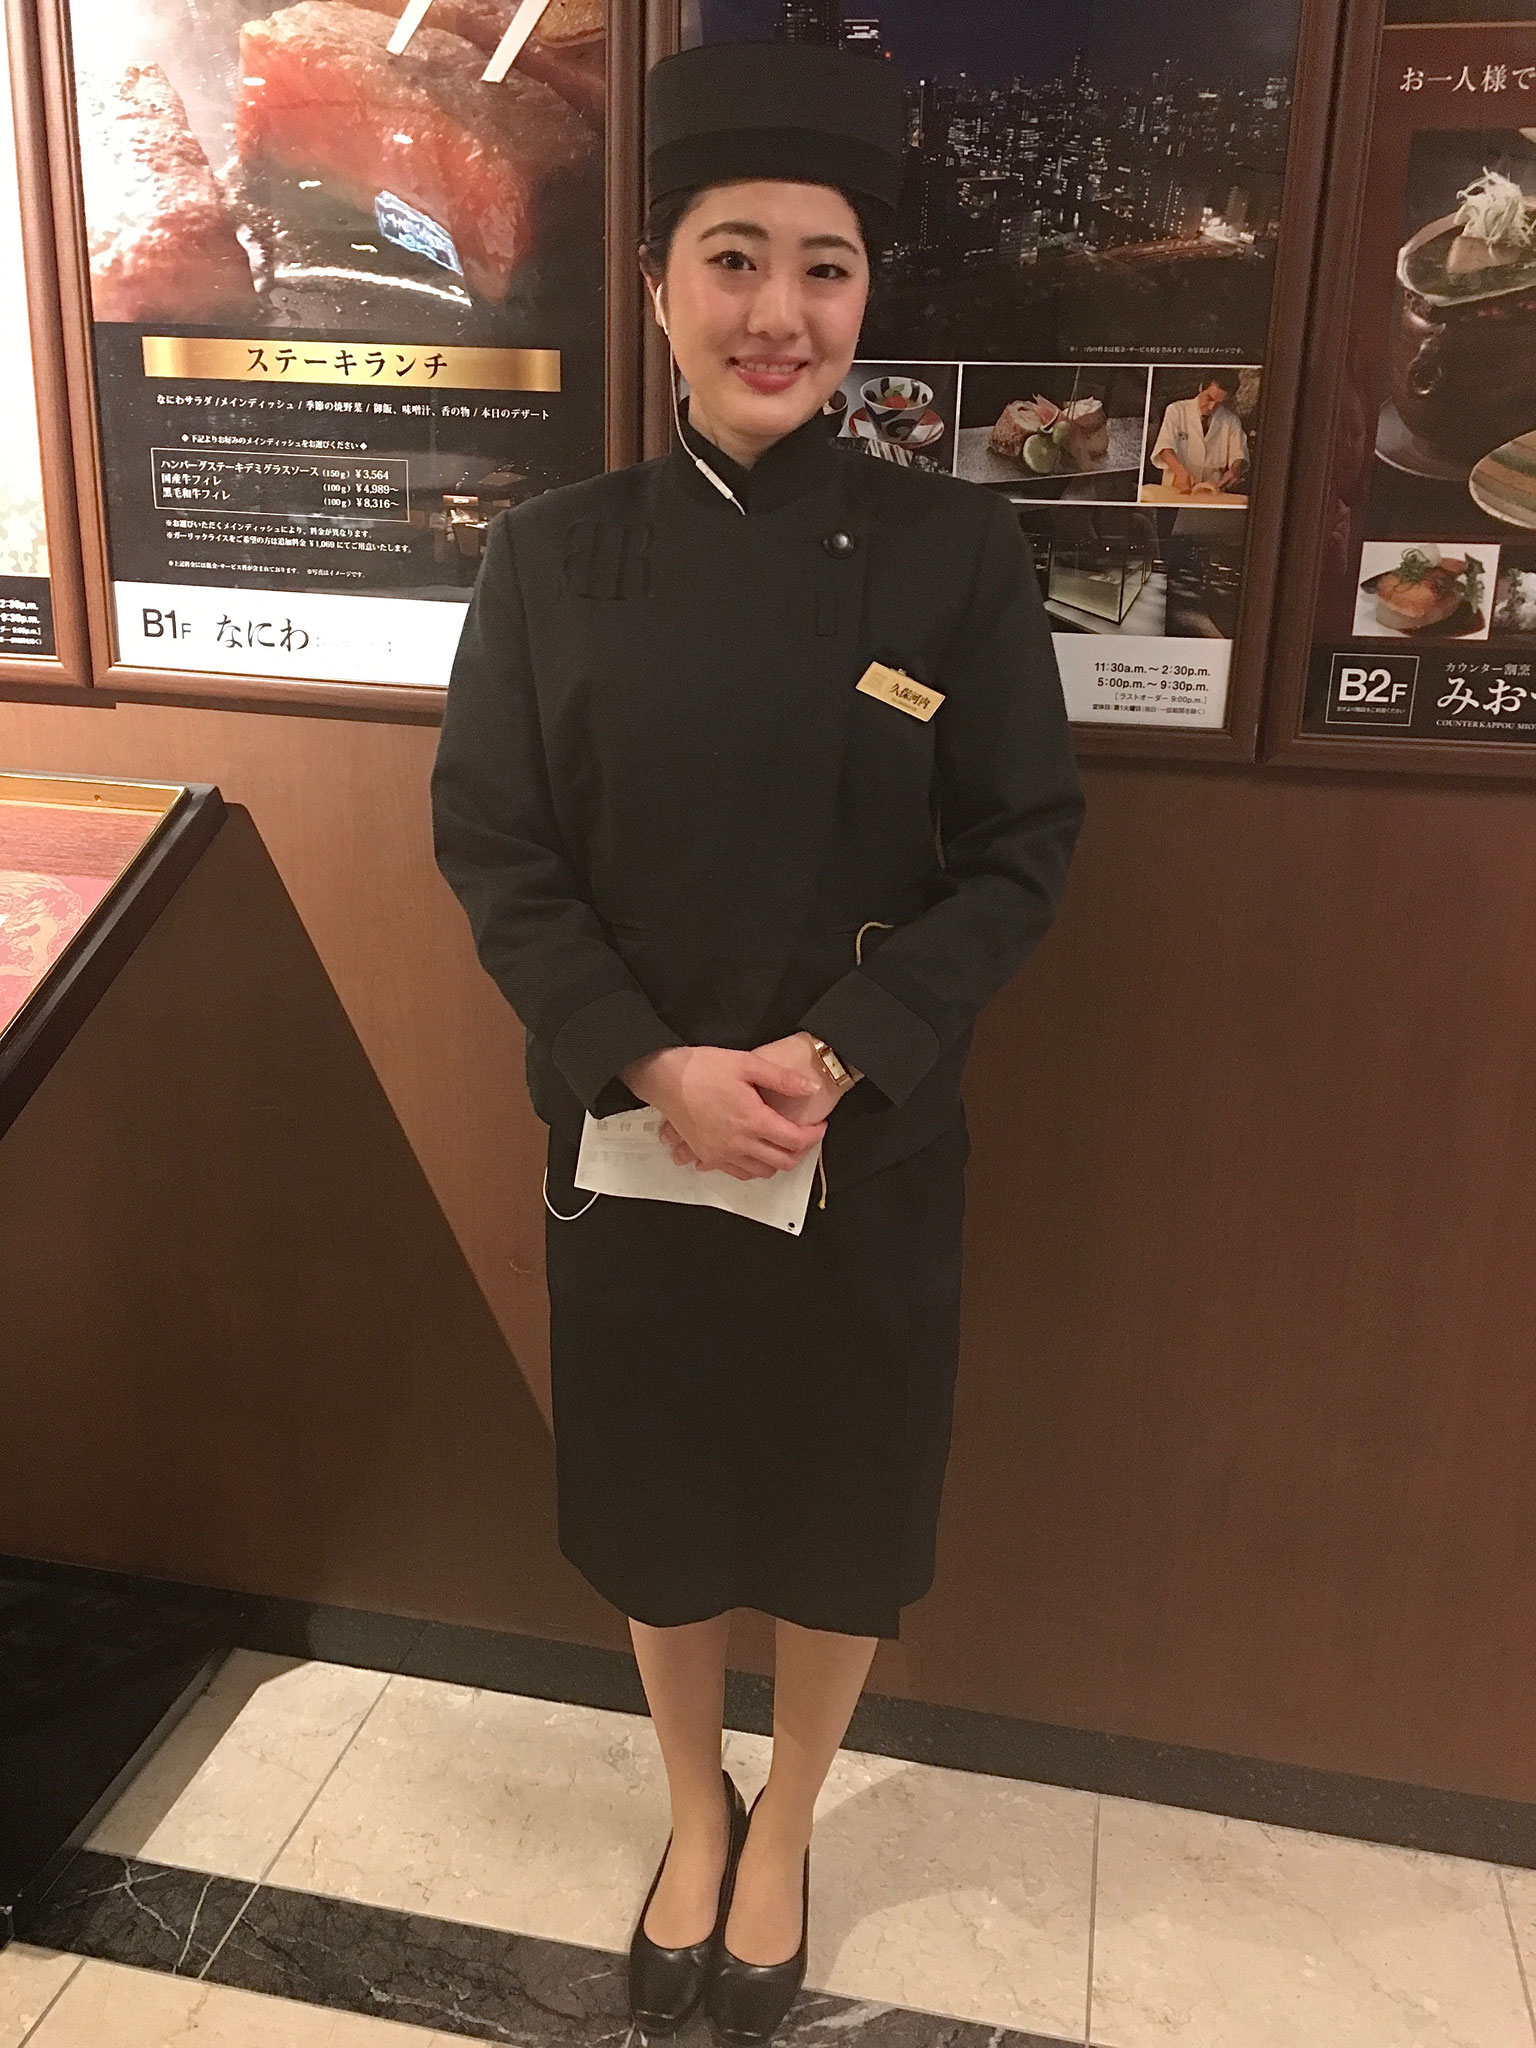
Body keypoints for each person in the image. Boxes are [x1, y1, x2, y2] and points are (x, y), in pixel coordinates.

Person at [430, 37, 1085, 2046]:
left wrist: (847, 1045)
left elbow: (1023, 848)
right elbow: (495, 842)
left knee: (834, 1510)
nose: (779, 310)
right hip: (631, 1141)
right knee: (654, 1501)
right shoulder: (553, 556)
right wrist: (647, 1060)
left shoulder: (957, 559)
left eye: (824, 265)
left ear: (867, 294)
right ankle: (682, 1811)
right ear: (655, 284)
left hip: (862, 1144)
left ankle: (785, 1819)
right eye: (734, 258)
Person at [1150, 368, 1248, 494]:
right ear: (1201, 388)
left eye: (1219, 403)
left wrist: (1235, 470)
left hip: (1213, 491)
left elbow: (1239, 455)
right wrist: (1180, 472)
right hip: (1176, 488)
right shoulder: (1176, 410)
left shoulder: (1231, 421)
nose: (1211, 407)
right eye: (1209, 398)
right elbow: (1165, 448)